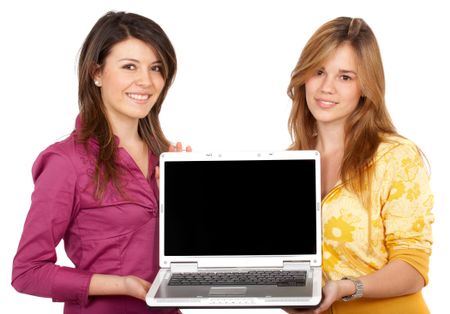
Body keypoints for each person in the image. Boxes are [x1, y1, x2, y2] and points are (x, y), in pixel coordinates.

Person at [12, 11, 190, 314]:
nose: (146, 81)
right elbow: (27, 272)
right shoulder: (65, 162)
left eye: (156, 68)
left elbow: (184, 258)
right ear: (96, 73)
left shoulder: (168, 158)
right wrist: (119, 284)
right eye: (129, 66)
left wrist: (186, 200)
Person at [284, 17, 434, 314]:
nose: (326, 87)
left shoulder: (395, 157)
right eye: (318, 71)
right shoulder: (290, 164)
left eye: (345, 77)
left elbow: (414, 267)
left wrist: (348, 287)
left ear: (365, 86)